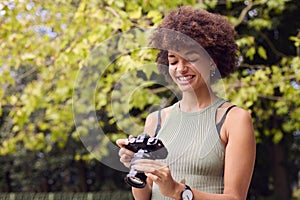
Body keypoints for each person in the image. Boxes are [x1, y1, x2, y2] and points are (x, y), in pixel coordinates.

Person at [117, 6, 256, 200]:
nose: (181, 69)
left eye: (190, 59)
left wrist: (177, 191)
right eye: (173, 61)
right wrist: (135, 166)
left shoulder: (234, 119)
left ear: (212, 61)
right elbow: (144, 196)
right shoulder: (156, 120)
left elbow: (235, 198)